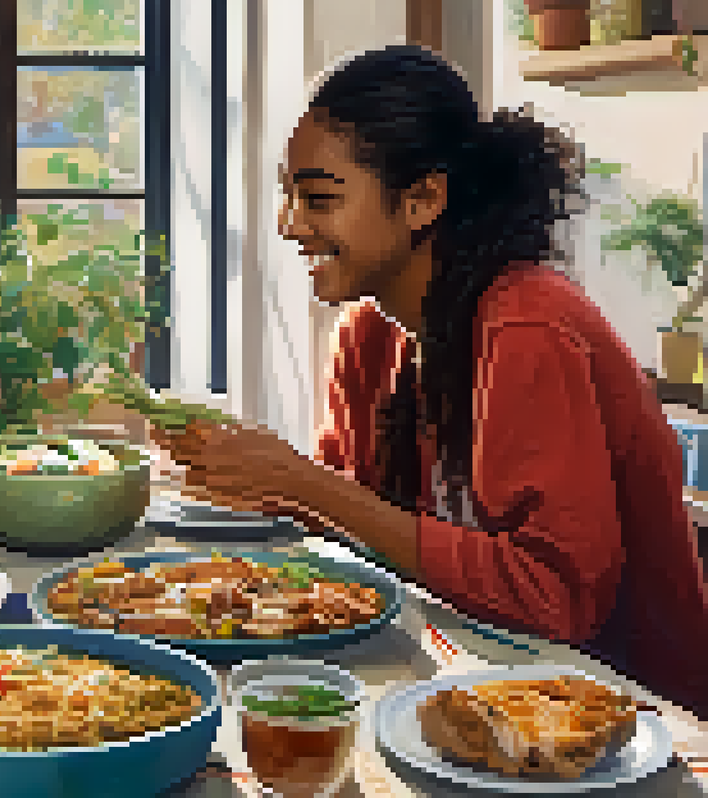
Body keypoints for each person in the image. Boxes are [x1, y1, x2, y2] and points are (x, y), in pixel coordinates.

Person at [153, 45, 708, 718]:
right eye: (288, 195)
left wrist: (301, 483)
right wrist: (246, 474)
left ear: (423, 199)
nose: (289, 225)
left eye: (319, 199)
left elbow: (556, 601)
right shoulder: (369, 334)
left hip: (629, 717)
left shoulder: (527, 326)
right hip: (473, 682)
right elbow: (356, 532)